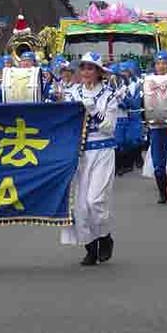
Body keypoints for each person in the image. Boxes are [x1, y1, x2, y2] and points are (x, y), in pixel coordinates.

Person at [60, 52, 119, 266]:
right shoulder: (72, 93)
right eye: (83, 67)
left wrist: (93, 111)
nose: (86, 71)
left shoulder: (109, 95)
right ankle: (90, 247)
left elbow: (109, 128)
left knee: (96, 201)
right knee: (80, 206)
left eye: (90, 68)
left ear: (99, 72)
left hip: (102, 151)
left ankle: (104, 236)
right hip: (79, 153)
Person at [145, 51, 167, 204]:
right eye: (158, 63)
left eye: (164, 63)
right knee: (158, 163)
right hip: (155, 127)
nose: (161, 66)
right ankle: (162, 191)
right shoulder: (147, 81)